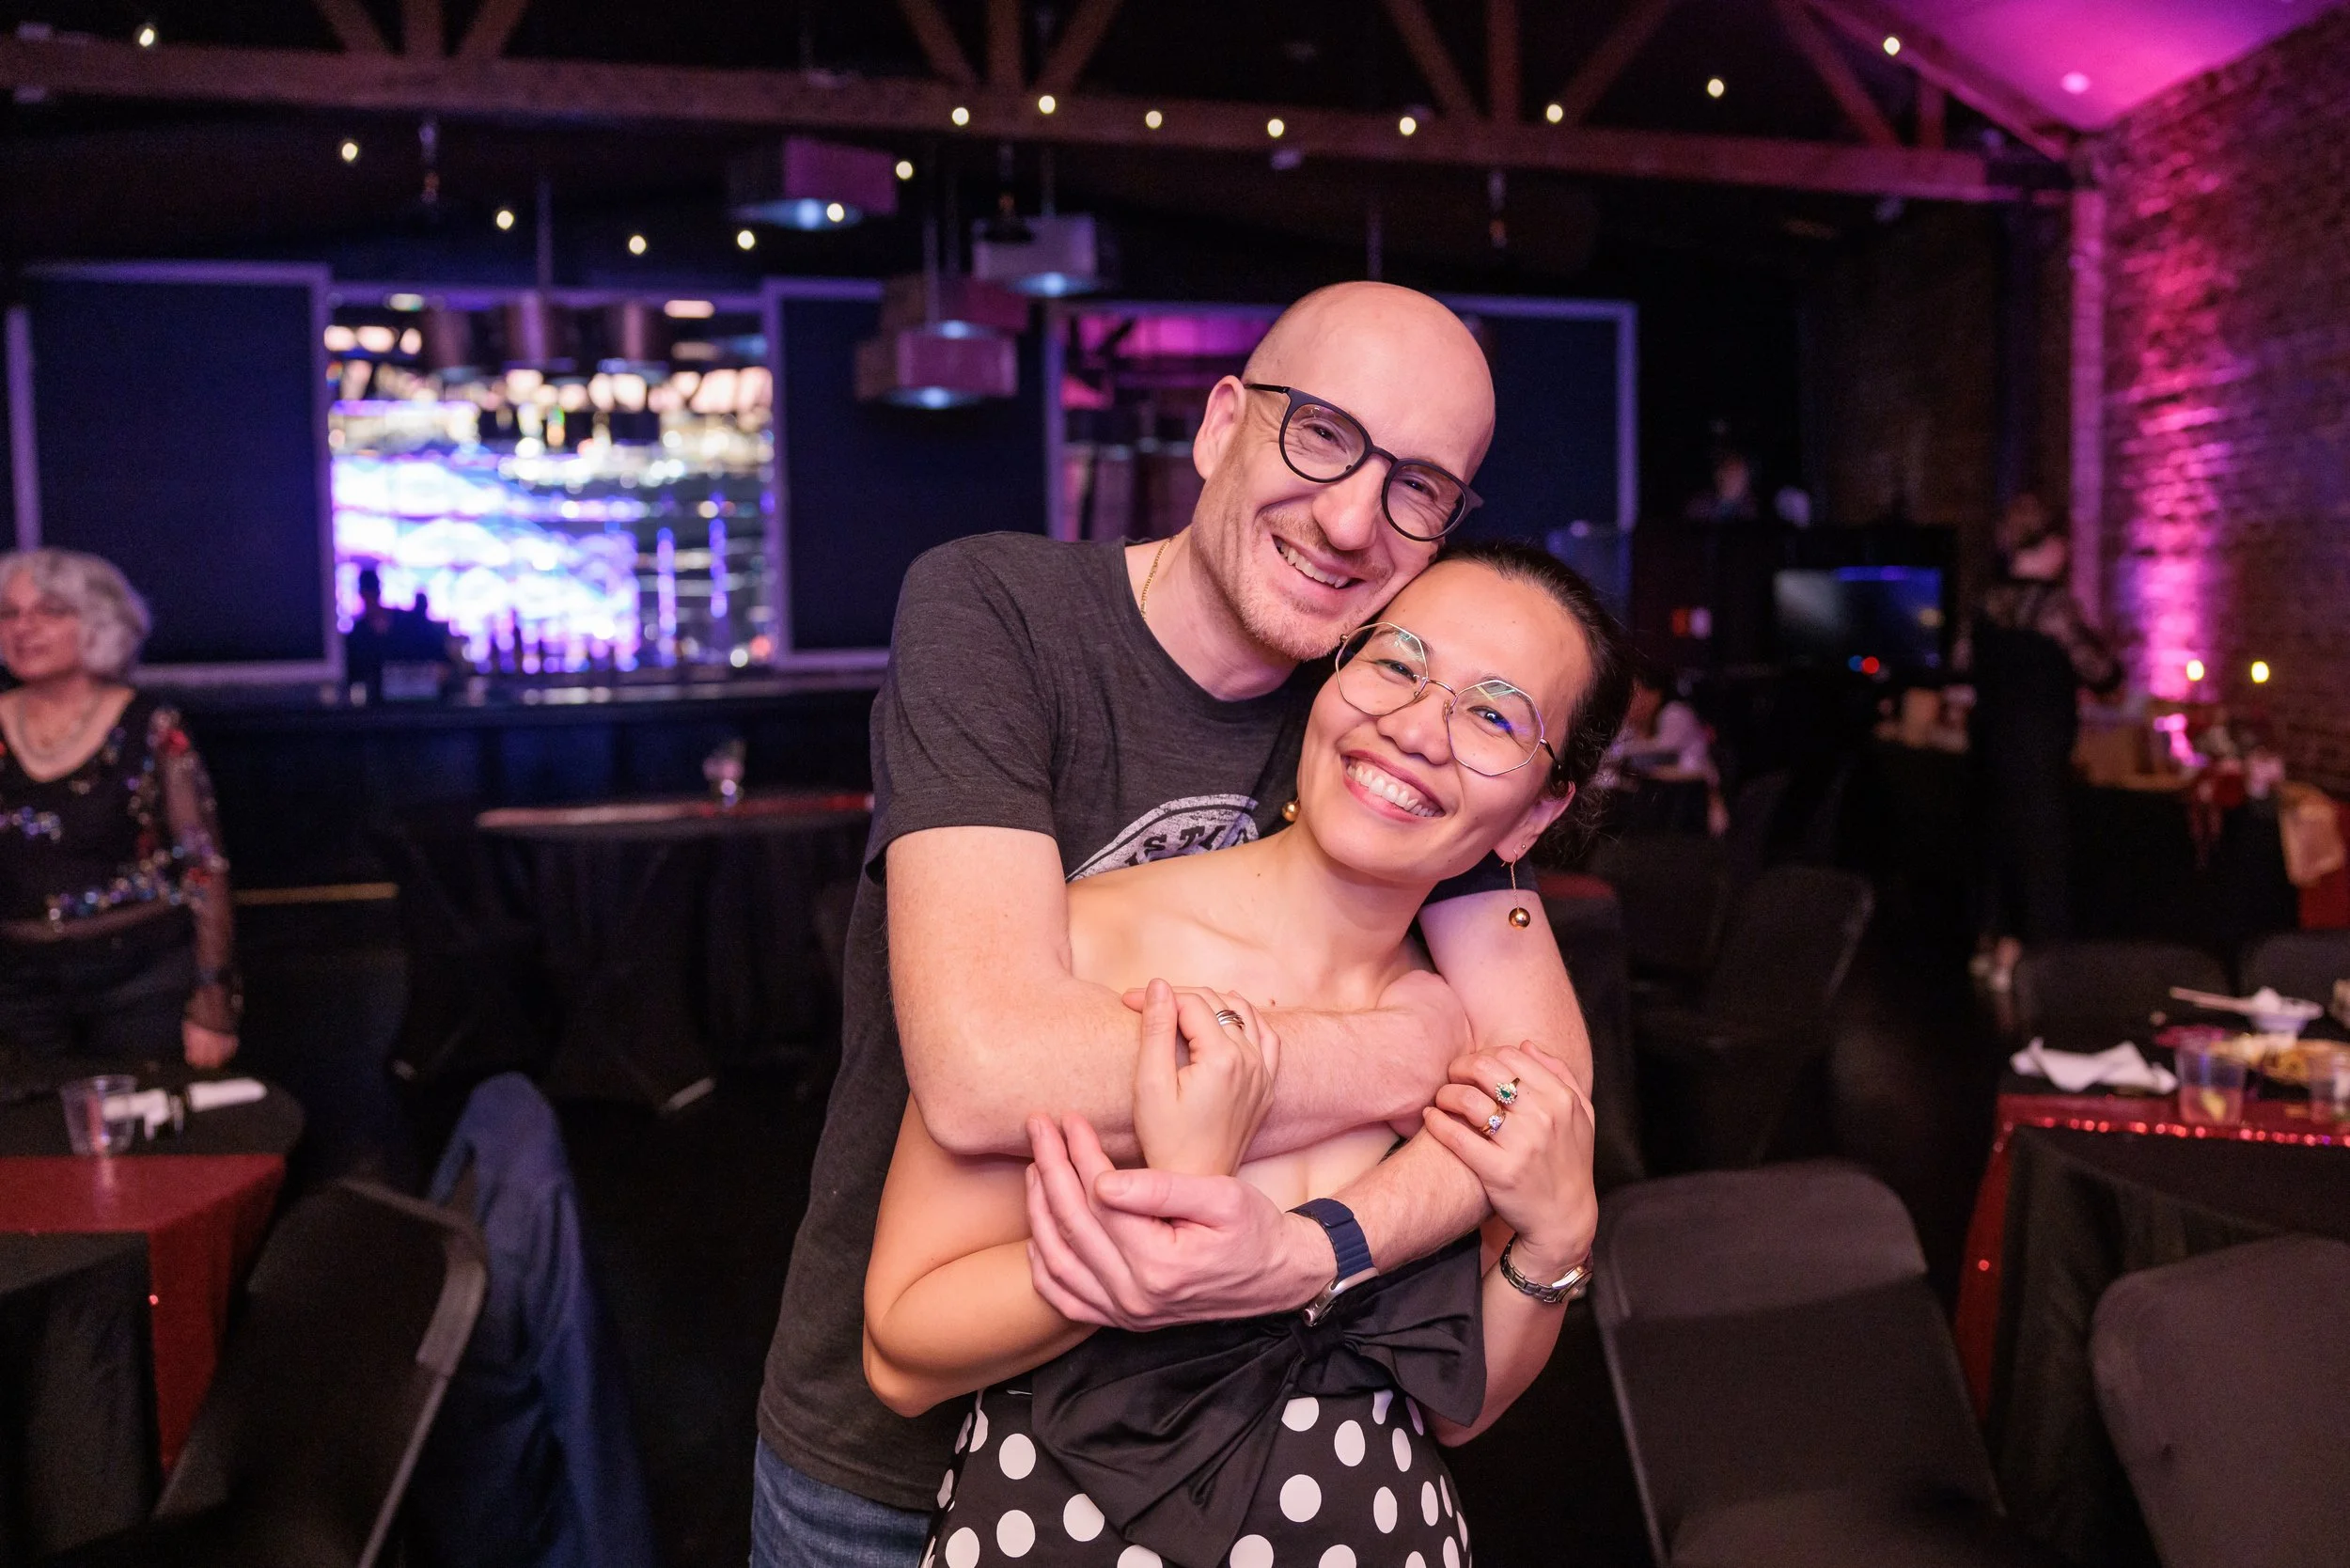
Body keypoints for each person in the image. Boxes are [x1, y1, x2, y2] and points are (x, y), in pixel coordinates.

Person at [754, 283, 1600, 1568]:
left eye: (1417, 489)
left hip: (1256, 1452)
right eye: (1322, 434)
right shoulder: (1002, 611)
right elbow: (985, 1072)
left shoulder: (1383, 708)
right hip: (894, 1454)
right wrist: (1396, 1051)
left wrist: (1308, 1254)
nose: (1350, 518)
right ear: (1218, 424)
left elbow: (1542, 1099)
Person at [865, 544, 1629, 1568]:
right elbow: (902, 1348)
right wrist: (1148, 1251)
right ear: (1332, 680)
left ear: (1537, 812)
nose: (1415, 728)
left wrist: (1554, 1245)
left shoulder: (1473, 1039)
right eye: (1396, 664)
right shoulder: (1097, 946)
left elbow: (1459, 1410)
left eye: (1493, 717)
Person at [0, 549, 238, 1070]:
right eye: (9, 613)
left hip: (141, 981)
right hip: (16, 993)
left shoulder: (151, 725)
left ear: (98, 623)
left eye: (49, 611)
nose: (23, 628)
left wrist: (213, 995)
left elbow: (204, 866)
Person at [1955, 516, 2120, 990]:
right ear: (2048, 545)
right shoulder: (2053, 607)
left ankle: (1992, 945)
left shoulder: (1986, 602)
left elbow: (1960, 662)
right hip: (2038, 748)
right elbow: (2101, 672)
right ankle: (2036, 962)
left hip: (1990, 743)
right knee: (2040, 852)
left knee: (1996, 841)